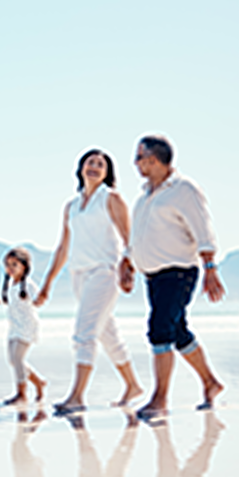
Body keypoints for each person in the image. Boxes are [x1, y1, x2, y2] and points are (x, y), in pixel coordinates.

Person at [119, 134, 225, 419]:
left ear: (153, 159)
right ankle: (211, 383)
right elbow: (138, 235)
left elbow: (203, 229)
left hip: (178, 272)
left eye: (138, 157)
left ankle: (160, 399)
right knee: (177, 332)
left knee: (159, 329)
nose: (135, 163)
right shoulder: (144, 196)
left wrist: (210, 268)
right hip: (153, 276)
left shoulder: (184, 189)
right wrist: (128, 262)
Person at [35, 148, 143, 415]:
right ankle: (133, 386)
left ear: (107, 173)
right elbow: (63, 247)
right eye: (90, 162)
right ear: (81, 168)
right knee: (107, 334)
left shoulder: (111, 198)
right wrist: (47, 283)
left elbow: (129, 237)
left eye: (101, 165)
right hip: (79, 274)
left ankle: (77, 396)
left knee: (84, 333)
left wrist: (129, 266)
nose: (94, 167)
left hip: (105, 272)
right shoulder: (71, 206)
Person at [0, 247, 47, 405]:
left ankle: (21, 394)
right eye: (8, 265)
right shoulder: (9, 285)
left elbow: (38, 299)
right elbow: (1, 300)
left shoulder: (28, 285)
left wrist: (40, 300)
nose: (10, 268)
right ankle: (38, 382)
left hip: (27, 327)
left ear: (24, 266)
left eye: (14, 264)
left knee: (18, 358)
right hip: (14, 327)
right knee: (14, 360)